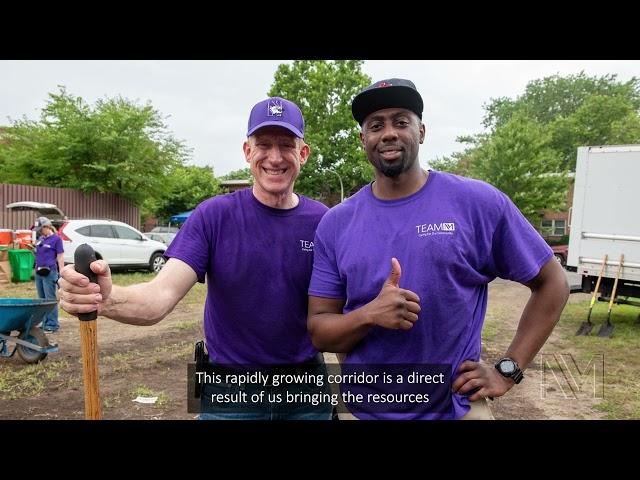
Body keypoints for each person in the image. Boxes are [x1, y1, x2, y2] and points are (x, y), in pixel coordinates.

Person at [307, 78, 570, 420]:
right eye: (376, 125)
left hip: (457, 409)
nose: (388, 133)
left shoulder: (477, 203)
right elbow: (319, 330)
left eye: (401, 121)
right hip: (363, 411)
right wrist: (370, 314)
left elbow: (554, 283)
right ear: (363, 139)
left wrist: (508, 370)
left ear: (421, 131)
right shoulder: (336, 223)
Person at [58, 97, 333, 420]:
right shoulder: (214, 216)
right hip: (229, 394)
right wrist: (105, 298)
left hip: (305, 393)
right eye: (264, 144)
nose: (274, 157)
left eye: (286, 145)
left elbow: (342, 307)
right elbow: (159, 297)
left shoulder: (324, 221)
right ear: (247, 152)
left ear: (303, 154)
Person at [33, 216, 64, 333]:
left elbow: (60, 256)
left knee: (50, 299)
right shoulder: (41, 238)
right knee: (41, 299)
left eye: (41, 229)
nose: (40, 231)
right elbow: (38, 253)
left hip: (49, 272)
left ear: (47, 227)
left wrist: (62, 273)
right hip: (39, 273)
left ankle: (52, 324)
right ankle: (45, 322)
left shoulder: (56, 239)